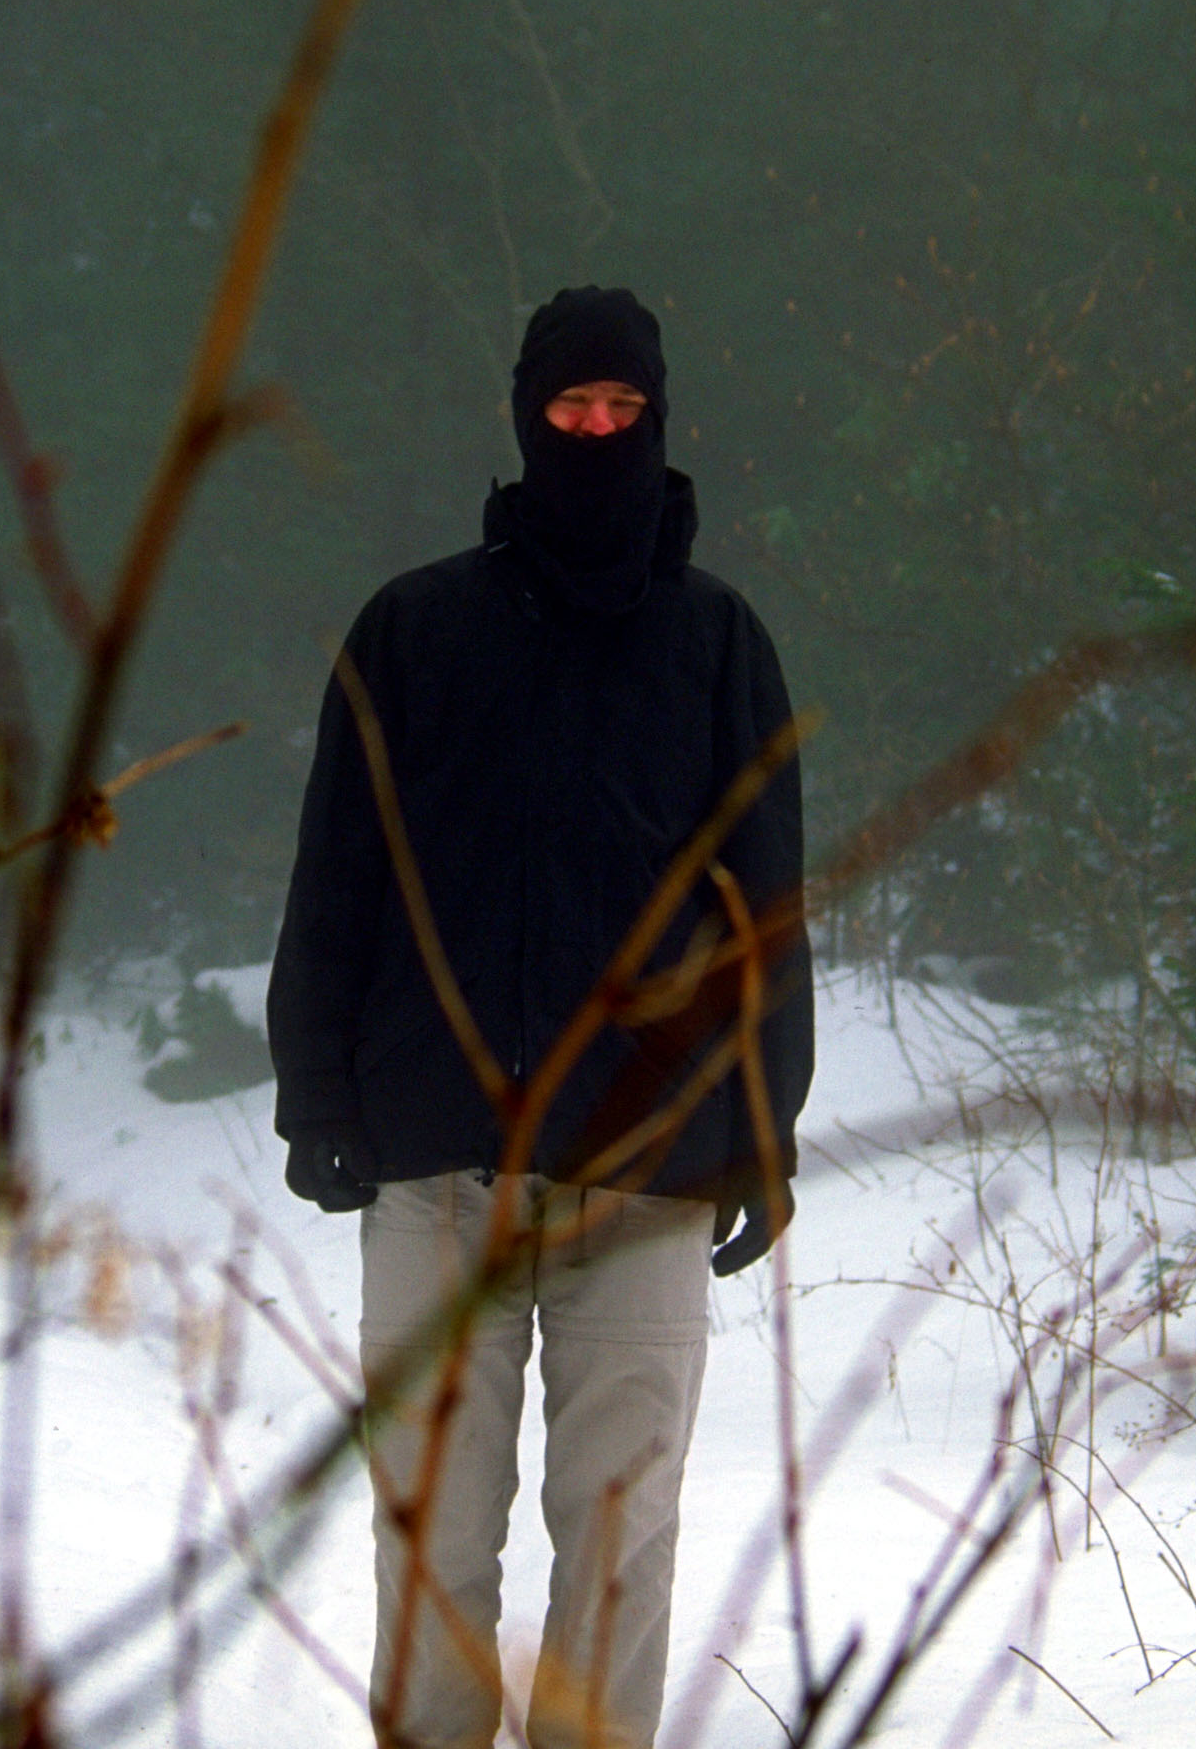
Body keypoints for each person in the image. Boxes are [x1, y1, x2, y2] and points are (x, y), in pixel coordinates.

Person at [267, 285, 813, 1749]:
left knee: (620, 1554)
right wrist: (318, 1096)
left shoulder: (715, 646)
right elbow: (338, 877)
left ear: (659, 423)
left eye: (624, 411)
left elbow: (767, 913)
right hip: (436, 1174)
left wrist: (762, 1129)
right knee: (431, 1550)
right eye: (573, 408)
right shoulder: (413, 630)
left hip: (644, 1179)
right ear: (527, 415)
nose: (597, 432)